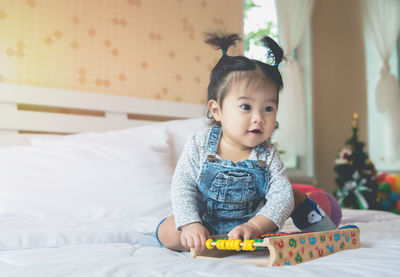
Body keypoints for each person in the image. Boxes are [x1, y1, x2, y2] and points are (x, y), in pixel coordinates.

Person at [157, 32, 337, 252]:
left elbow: (280, 197)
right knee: (168, 232)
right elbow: (183, 185)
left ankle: (323, 227)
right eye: (246, 107)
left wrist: (255, 225)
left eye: (268, 108)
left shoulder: (267, 154)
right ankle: (195, 232)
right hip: (206, 224)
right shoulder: (200, 143)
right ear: (217, 110)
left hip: (254, 226)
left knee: (290, 195)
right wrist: (190, 224)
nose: (259, 117)